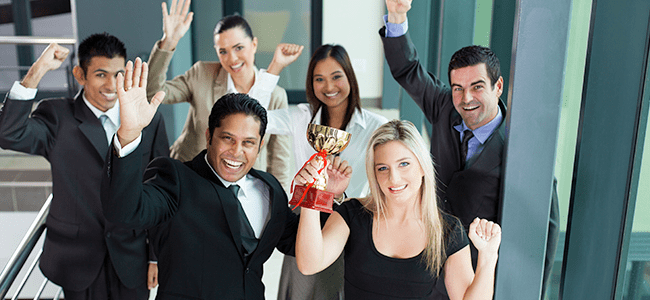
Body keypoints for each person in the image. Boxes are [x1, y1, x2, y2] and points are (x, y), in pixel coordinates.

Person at [380, 0, 559, 296]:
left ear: (498, 86)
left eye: (477, 86)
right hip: (427, 263)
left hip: (477, 277)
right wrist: (397, 15)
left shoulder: (522, 148)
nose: (466, 99)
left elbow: (544, 230)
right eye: (458, 88)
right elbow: (408, 69)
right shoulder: (443, 106)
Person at [100, 59, 299, 299]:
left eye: (248, 143)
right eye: (228, 139)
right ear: (209, 137)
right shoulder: (175, 179)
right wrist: (129, 134)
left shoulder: (270, 189)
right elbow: (124, 211)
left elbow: (298, 241)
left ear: (260, 146)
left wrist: (329, 194)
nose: (237, 152)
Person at [0, 34, 169, 300]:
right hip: (77, 258)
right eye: (101, 74)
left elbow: (158, 188)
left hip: (131, 256)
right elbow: (9, 134)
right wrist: (37, 70)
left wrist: (156, 256)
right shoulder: (57, 116)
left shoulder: (148, 118)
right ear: (80, 75)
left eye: (119, 74)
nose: (112, 84)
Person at [295, 120, 501, 299]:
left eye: (404, 164)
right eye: (382, 168)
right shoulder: (353, 214)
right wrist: (312, 193)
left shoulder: (448, 230)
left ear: (422, 166)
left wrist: (488, 256)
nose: (393, 178)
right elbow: (309, 264)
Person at [264, 43, 388, 299]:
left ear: (349, 77)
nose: (329, 87)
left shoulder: (377, 127)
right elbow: (251, 114)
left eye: (336, 77)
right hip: (306, 220)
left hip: (349, 222)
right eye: (319, 79)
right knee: (302, 288)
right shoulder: (301, 118)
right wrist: (275, 66)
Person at [146, 0, 296, 191]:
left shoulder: (276, 95)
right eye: (223, 51)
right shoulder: (202, 73)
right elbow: (153, 94)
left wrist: (279, 208)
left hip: (242, 187)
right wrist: (169, 42)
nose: (232, 59)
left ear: (254, 44)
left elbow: (280, 161)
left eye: (238, 48)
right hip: (188, 180)